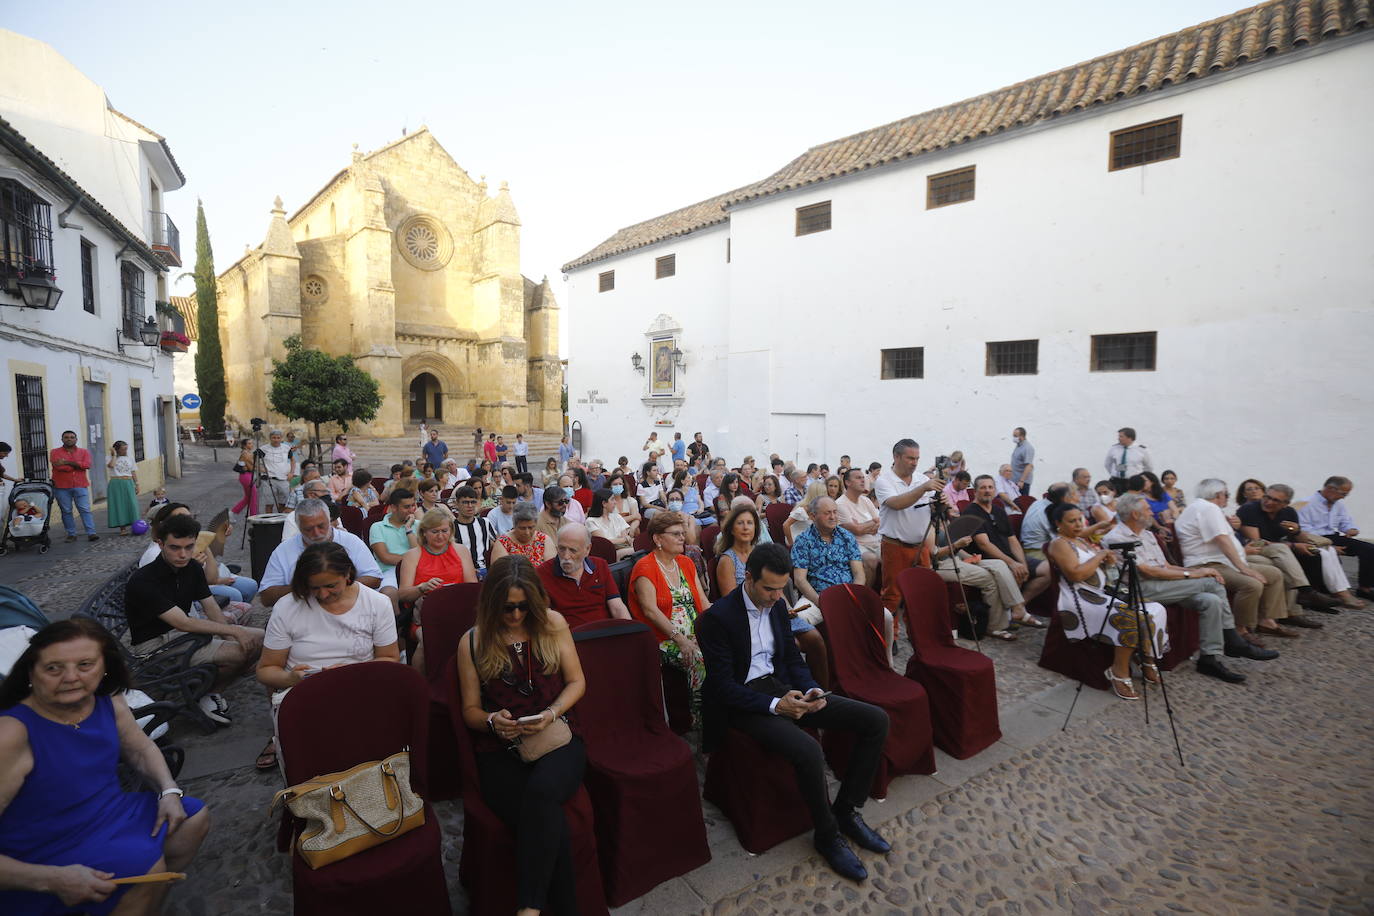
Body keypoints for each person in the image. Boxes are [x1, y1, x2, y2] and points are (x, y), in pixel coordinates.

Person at [697, 543, 891, 882]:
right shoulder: (717, 619)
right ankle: (826, 834)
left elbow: (789, 660)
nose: (775, 596)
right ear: (749, 579)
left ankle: (846, 810)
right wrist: (776, 705)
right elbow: (723, 687)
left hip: (781, 686)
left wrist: (812, 688)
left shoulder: (775, 605)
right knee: (808, 750)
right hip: (742, 703)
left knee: (875, 720)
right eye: (768, 588)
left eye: (780, 588)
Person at [0, 619, 210, 915]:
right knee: (144, 868)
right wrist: (51, 879)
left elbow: (140, 748)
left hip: (108, 811)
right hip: (43, 844)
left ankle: (136, 900)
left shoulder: (105, 698)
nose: (70, 677)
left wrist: (169, 791)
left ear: (105, 667)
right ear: (31, 673)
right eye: (53, 668)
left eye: (85, 665)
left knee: (193, 819)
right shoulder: (12, 732)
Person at [456, 555, 587, 915]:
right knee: (548, 820)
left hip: (558, 733)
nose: (515, 616)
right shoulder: (472, 641)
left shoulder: (553, 624)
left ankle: (528, 908)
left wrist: (550, 713)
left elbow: (577, 682)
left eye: (523, 607)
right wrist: (491, 721)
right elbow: (469, 711)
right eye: (507, 608)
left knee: (543, 795)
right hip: (500, 746)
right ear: (491, 604)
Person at [256, 542, 400, 771]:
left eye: (331, 586)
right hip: (305, 696)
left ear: (348, 574)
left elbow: (390, 659)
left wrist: (351, 674)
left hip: (360, 691)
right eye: (314, 588)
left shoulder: (376, 604)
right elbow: (266, 669)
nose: (323, 595)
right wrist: (290, 679)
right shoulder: (287, 607)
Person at [1108, 492, 1269, 682]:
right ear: (1135, 514)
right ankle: (1232, 639)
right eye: (1147, 509)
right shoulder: (1117, 537)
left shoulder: (1147, 534)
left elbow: (1165, 567)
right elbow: (1148, 572)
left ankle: (1208, 659)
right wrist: (1194, 573)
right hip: (1140, 588)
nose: (1152, 511)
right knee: (1211, 582)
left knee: (1211, 601)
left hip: (1163, 584)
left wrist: (1192, 571)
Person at [124, 513, 266, 724]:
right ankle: (207, 695)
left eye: (189, 547)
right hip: (155, 646)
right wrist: (235, 632)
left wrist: (228, 638)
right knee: (239, 653)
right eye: (175, 548)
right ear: (161, 544)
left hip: (182, 636)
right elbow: (182, 622)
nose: (183, 554)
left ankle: (210, 687)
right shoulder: (144, 580)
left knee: (263, 638)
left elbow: (210, 607)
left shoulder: (190, 567)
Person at [1047, 505, 1170, 700]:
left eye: (1080, 519)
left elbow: (1095, 557)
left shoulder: (1080, 540)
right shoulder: (1059, 543)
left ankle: (1146, 657)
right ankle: (1118, 671)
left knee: (1155, 609)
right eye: (1072, 521)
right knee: (1130, 616)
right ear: (1058, 524)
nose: (1079, 524)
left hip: (1102, 593)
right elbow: (1075, 574)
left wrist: (1107, 561)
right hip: (1080, 598)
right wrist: (1099, 556)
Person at [1175, 480, 1290, 647]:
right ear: (1217, 495)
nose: (1228, 498)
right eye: (1227, 495)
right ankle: (1238, 630)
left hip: (1223, 562)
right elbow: (1222, 540)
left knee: (1274, 574)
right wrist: (1244, 568)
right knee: (1251, 584)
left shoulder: (1205, 508)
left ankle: (1265, 620)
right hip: (1207, 564)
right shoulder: (1208, 508)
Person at [627, 511, 710, 728]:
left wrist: (719, 626)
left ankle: (726, 709)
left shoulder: (685, 562)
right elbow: (650, 611)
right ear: (657, 538)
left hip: (695, 632)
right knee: (700, 659)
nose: (682, 538)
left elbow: (702, 600)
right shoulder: (645, 567)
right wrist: (680, 639)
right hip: (663, 639)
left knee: (728, 647)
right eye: (676, 534)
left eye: (683, 533)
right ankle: (702, 721)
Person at [259, 498, 383, 607]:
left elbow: (375, 578)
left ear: (330, 520)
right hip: (301, 614)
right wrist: (306, 587)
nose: (317, 533)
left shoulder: (350, 541)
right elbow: (266, 597)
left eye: (321, 526)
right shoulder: (284, 550)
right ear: (298, 527)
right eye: (309, 529)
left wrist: (338, 586)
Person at [963, 475, 1053, 621]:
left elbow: (1013, 540)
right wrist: (1012, 563)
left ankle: (1020, 607)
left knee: (1048, 570)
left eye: (990, 487)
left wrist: (1022, 562)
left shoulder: (998, 510)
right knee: (1014, 570)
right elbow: (984, 544)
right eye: (983, 487)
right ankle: (1016, 611)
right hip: (990, 559)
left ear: (995, 490)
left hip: (1010, 557)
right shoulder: (971, 512)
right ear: (975, 492)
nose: (987, 491)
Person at [874, 438, 945, 619]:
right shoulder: (884, 481)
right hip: (895, 546)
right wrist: (923, 489)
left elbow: (932, 508)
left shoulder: (922, 479)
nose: (914, 463)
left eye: (917, 459)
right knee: (892, 596)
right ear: (896, 457)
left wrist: (940, 503)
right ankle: (890, 639)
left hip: (920, 547)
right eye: (910, 458)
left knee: (920, 595)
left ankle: (920, 638)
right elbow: (897, 504)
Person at [537, 524, 631, 627]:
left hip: (604, 633)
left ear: (587, 549)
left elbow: (617, 607)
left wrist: (630, 633)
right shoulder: (542, 573)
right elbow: (544, 619)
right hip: (569, 638)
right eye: (562, 549)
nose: (566, 556)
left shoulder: (600, 566)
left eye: (573, 550)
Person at [1298, 476, 1374, 602]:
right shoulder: (1305, 503)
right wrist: (1328, 546)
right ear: (1330, 489)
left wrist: (1351, 529)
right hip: (1314, 538)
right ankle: (1328, 590)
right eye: (1343, 493)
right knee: (1330, 555)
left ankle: (1365, 587)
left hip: (1333, 536)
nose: (1344, 497)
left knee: (1369, 549)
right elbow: (1305, 530)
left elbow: (1345, 522)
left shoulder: (1338, 505)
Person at [50, 430, 98, 543]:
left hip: (80, 485)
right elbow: (59, 467)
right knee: (66, 510)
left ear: (76, 439)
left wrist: (67, 462)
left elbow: (87, 465)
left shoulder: (84, 452)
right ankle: (71, 534)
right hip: (61, 486)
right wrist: (77, 464)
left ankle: (91, 533)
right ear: (62, 439)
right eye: (66, 437)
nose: (69, 439)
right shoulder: (54, 452)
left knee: (85, 509)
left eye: (72, 437)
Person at [369, 488, 419, 593]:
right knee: (389, 593)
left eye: (413, 505)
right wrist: (413, 561)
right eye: (406, 507)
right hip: (390, 571)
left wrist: (408, 529)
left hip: (418, 569)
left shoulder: (419, 525)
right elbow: (385, 558)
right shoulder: (377, 527)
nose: (411, 510)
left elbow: (420, 552)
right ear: (393, 508)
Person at [450, 486, 495, 575]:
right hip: (460, 571)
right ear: (457, 503)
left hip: (484, 570)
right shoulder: (450, 527)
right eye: (465, 502)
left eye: (473, 502)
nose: (470, 506)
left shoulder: (485, 522)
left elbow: (496, 544)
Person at [585, 489, 633, 559]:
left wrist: (623, 539)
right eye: (612, 499)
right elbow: (605, 543)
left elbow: (625, 537)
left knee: (638, 551)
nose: (615, 502)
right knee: (637, 551)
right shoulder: (591, 521)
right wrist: (624, 539)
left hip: (622, 549)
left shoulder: (617, 516)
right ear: (604, 503)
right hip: (607, 554)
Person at [1104, 427, 1152, 495]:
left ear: (1129, 438)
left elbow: (1148, 467)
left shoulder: (1141, 450)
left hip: (1133, 482)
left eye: (1121, 436)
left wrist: (1141, 479)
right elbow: (1108, 464)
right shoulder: (1114, 448)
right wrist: (1116, 473)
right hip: (1117, 481)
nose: (1118, 438)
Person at [105, 440, 139, 535]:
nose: (125, 451)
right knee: (119, 504)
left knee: (132, 504)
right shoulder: (109, 458)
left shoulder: (130, 457)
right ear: (117, 450)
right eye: (123, 449)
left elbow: (133, 471)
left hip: (128, 482)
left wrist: (137, 484)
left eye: (126, 449)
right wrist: (114, 455)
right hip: (116, 483)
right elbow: (111, 465)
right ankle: (122, 528)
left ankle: (135, 526)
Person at [257, 429, 295, 512]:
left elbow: (292, 460)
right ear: (270, 438)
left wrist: (292, 472)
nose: (276, 440)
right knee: (269, 504)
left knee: (284, 504)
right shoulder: (263, 449)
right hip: (268, 480)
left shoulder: (286, 448)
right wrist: (260, 468)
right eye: (274, 438)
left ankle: (281, 523)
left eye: (278, 438)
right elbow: (252, 459)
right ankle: (269, 524)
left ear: (281, 438)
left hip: (284, 479)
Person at [1010, 427, 1035, 496]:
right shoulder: (1018, 446)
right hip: (1014, 480)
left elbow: (1029, 466)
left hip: (1022, 482)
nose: (1014, 438)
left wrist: (1022, 481)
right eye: (1013, 436)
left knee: (1021, 502)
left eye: (1015, 436)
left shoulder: (1027, 448)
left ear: (1022, 436)